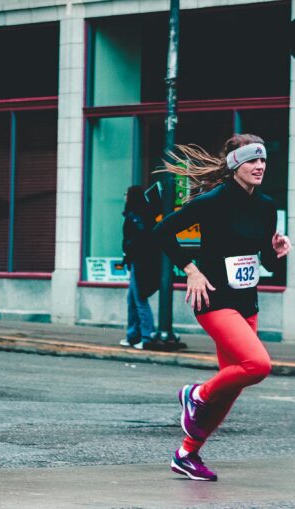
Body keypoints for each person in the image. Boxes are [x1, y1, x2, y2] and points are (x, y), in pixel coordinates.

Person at [153, 134, 292, 481]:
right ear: (235, 165)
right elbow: (163, 233)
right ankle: (195, 394)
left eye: (262, 160)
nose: (260, 166)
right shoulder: (212, 202)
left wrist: (277, 251)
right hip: (213, 298)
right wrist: (191, 270)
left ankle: (187, 453)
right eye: (251, 160)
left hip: (247, 302)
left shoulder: (265, 205)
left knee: (233, 384)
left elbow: (267, 265)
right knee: (258, 365)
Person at [120, 185, 162, 351]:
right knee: (132, 300)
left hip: (139, 262)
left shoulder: (135, 217)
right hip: (140, 261)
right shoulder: (145, 214)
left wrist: (127, 253)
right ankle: (133, 336)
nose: (124, 196)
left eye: (126, 194)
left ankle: (146, 336)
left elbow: (136, 240)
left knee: (139, 300)